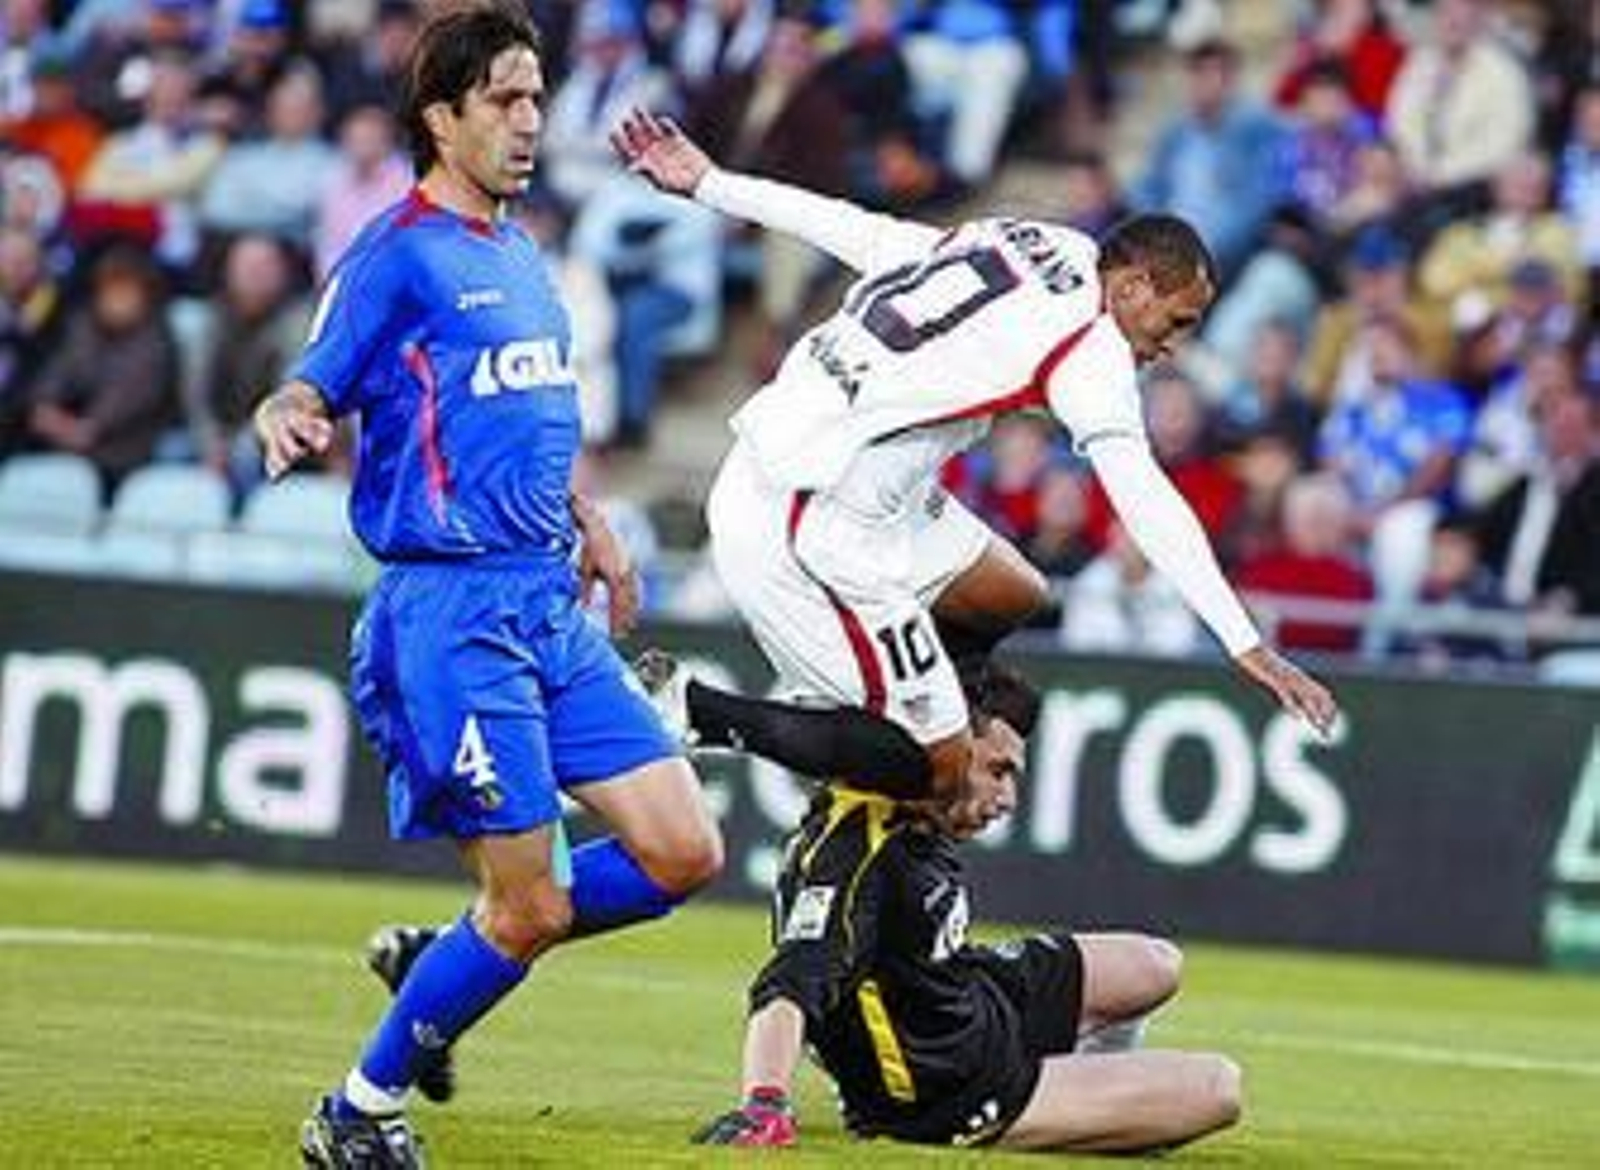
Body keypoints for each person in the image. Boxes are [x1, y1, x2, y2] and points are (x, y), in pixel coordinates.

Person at [252, 8, 723, 1167]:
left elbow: (525, 418)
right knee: (530, 908)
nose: (529, 120)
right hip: (452, 615)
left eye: (535, 95)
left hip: (546, 604)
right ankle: (354, 1112)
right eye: (505, 100)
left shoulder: (521, 255)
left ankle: (448, 955)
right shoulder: (395, 254)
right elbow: (306, 381)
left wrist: (593, 523)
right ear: (441, 117)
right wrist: (291, 414)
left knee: (681, 853)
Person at [612, 108, 1338, 803]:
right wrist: (1244, 643)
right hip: (810, 514)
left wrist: (712, 184)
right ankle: (697, 709)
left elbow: (864, 232)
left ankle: (920, 700)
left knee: (1013, 591)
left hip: (837, 465)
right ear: (1134, 287)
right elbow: (1144, 497)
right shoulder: (1094, 353)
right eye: (1176, 320)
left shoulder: (1037, 241)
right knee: (935, 769)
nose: (1174, 343)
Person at [694, 664, 1243, 1152]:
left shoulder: (911, 808)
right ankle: (1057, 1104)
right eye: (998, 771)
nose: (1008, 799)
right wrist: (764, 1101)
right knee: (1217, 1088)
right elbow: (791, 982)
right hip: (947, 1086)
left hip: (967, 996)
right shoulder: (857, 855)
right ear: (949, 747)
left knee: (1155, 965)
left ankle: (1078, 1093)